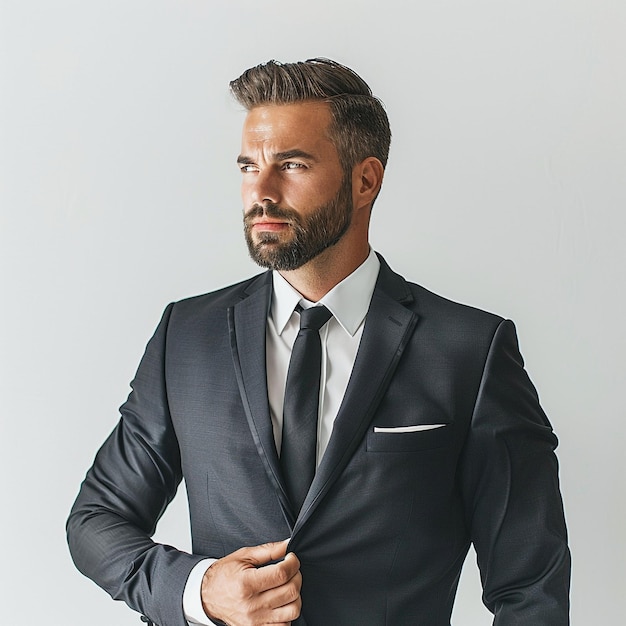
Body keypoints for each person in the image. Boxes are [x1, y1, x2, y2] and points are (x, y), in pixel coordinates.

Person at [67, 58, 570, 626]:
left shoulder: (470, 352)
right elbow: (96, 520)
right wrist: (198, 590)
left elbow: (530, 586)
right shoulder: (186, 337)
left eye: (292, 164)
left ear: (365, 180)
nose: (261, 191)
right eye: (247, 166)